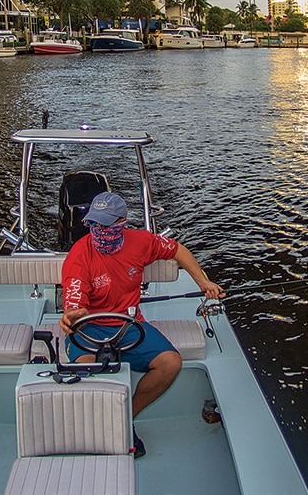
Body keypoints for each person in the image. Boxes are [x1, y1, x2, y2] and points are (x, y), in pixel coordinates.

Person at [58, 191, 225, 457]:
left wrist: (202, 281)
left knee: (171, 363)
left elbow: (177, 249)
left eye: (105, 224)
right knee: (85, 369)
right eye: (93, 224)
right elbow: (75, 302)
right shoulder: (79, 255)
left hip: (130, 324)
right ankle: (95, 423)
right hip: (90, 327)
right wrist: (71, 316)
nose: (98, 230)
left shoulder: (141, 242)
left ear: (122, 222)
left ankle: (123, 417)